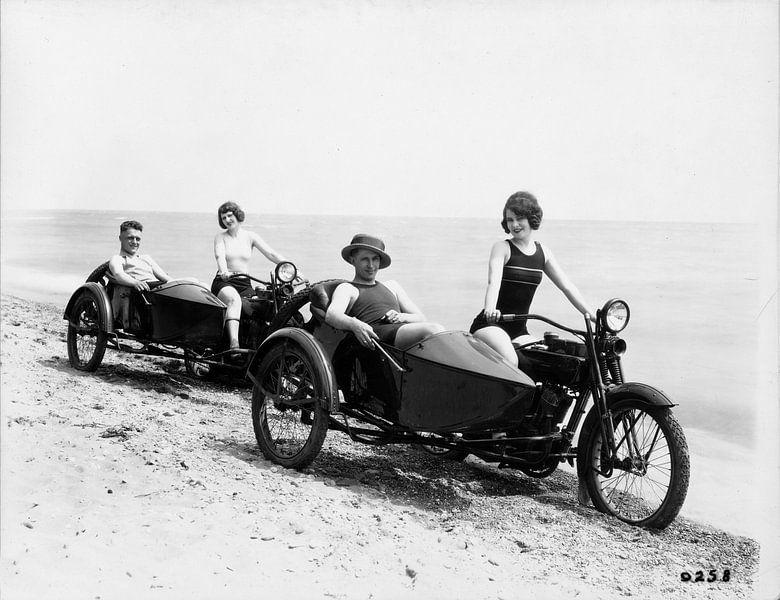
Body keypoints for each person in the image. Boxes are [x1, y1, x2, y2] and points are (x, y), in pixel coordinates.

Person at [470, 191, 594, 367]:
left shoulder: (543, 252)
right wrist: (490, 309)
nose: (514, 224)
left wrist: (592, 315)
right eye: (510, 219)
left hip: (519, 330)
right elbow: (493, 283)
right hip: (491, 325)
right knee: (511, 361)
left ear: (531, 219)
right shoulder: (502, 248)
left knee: (546, 362)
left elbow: (567, 286)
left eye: (519, 218)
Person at [326, 233, 445, 349]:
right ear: (353, 260)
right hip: (377, 336)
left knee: (444, 335)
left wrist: (400, 317)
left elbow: (421, 318)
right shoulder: (347, 288)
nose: (371, 265)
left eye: (375, 259)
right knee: (434, 329)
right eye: (365, 259)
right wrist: (355, 325)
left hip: (400, 332)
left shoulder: (392, 286)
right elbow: (332, 315)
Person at [211, 201, 298, 352]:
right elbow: (220, 256)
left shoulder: (250, 236)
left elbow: (271, 254)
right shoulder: (220, 237)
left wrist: (291, 269)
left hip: (244, 283)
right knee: (234, 300)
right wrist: (224, 270)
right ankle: (234, 345)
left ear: (237, 215)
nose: (227, 220)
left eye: (230, 215)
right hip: (224, 282)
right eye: (223, 218)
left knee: (262, 305)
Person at [108, 220, 171, 290]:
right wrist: (135, 282)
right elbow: (119, 275)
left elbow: (165, 278)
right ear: (120, 238)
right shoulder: (118, 259)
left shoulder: (146, 258)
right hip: (143, 292)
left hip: (158, 288)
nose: (134, 242)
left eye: (137, 239)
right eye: (130, 238)